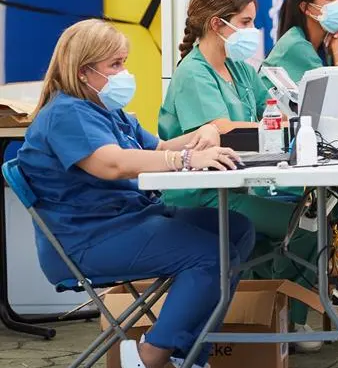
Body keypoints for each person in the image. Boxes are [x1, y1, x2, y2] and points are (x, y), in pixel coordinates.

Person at [18, 19, 254, 368]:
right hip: (87, 240)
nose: (124, 72)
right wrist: (186, 158)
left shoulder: (103, 107)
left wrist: (203, 134)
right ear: (84, 72)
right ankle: (151, 355)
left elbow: (158, 146)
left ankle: (187, 355)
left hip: (129, 221)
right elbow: (112, 164)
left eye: (123, 62)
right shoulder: (65, 114)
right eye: (115, 64)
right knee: (210, 255)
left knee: (237, 229)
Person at [158, 0, 323, 352]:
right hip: (202, 194)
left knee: (311, 209)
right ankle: (284, 322)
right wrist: (278, 125)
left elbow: (277, 112)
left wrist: (292, 120)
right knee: (308, 225)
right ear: (218, 24)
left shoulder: (241, 69)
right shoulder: (193, 74)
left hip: (242, 185)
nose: (253, 31)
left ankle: (271, 317)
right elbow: (221, 129)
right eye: (246, 22)